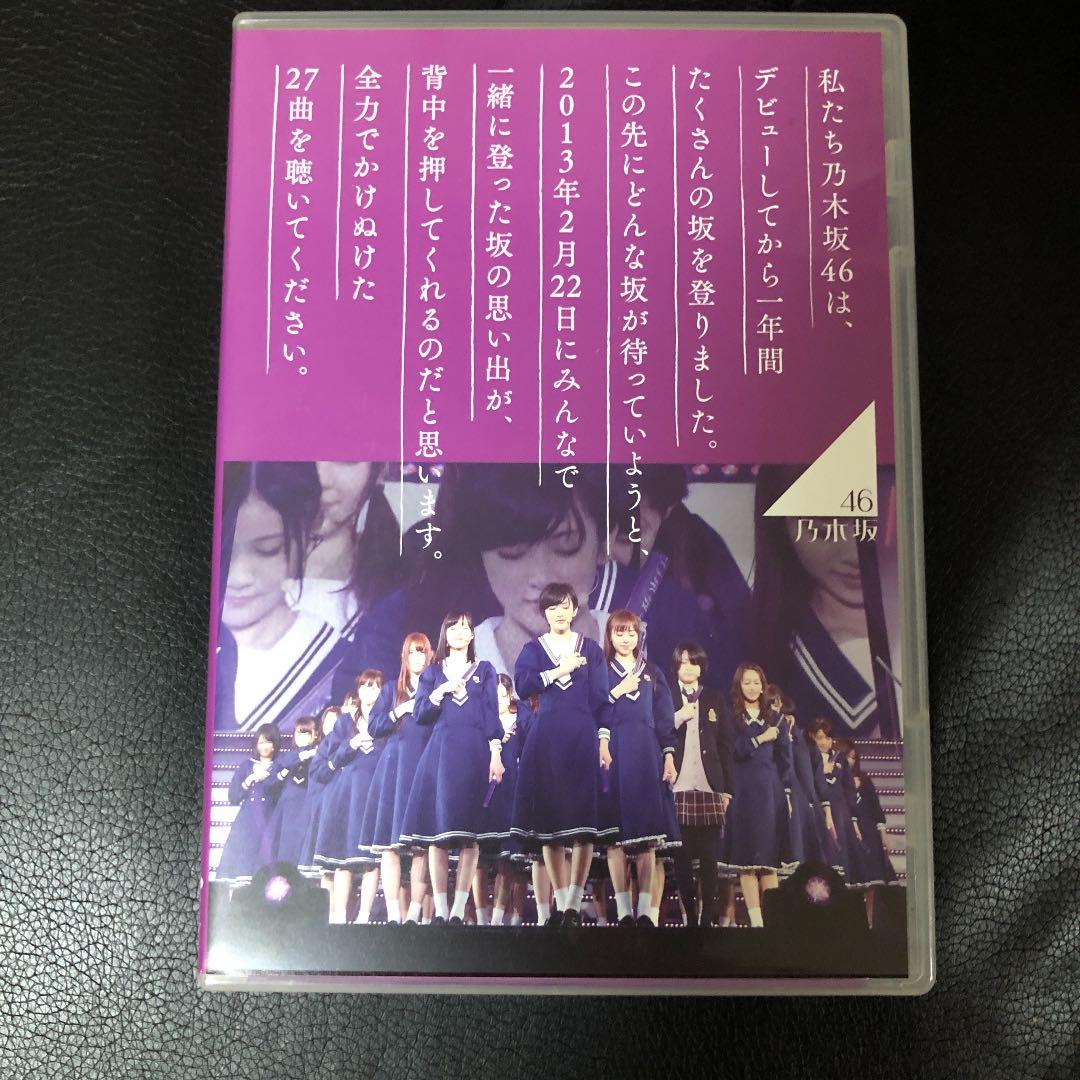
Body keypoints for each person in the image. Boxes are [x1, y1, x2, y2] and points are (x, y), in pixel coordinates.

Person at [331, 463, 715, 701]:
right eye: (511, 550)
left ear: (605, 538)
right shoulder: (408, 620)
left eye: (565, 544)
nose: (539, 577)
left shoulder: (666, 617)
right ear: (480, 548)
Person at [749, 467, 900, 739]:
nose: (855, 552)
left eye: (875, 522)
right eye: (822, 529)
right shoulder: (781, 673)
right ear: (782, 526)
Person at [511, 583, 614, 927]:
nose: (559, 612)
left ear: (574, 609)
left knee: (583, 825)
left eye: (564, 606)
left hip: (582, 737)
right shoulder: (533, 649)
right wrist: (561, 669)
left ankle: (572, 901)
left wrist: (603, 741)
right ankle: (560, 898)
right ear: (545, 612)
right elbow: (523, 686)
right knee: (550, 826)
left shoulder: (592, 649)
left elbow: (601, 699)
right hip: (546, 739)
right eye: (552, 607)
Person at [216, 461, 339, 733]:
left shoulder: (334, 659)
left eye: (268, 549)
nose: (239, 577)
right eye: (224, 551)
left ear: (307, 536)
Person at [399, 612, 505, 924]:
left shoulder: (485, 670)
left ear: (472, 634)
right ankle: (442, 910)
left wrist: (495, 754)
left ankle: (459, 908)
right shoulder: (433, 672)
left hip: (474, 752)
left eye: (465, 627)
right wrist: (439, 692)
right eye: (453, 627)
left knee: (470, 835)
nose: (459, 632)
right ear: (445, 633)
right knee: (438, 834)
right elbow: (420, 713)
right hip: (441, 754)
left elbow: (491, 714)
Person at [611, 465, 750, 691]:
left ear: (668, 508)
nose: (603, 553)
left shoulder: (699, 545)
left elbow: (737, 653)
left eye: (629, 533)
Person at [598, 609, 680, 926]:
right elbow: (593, 709)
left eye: (631, 632)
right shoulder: (601, 671)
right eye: (619, 632)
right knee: (616, 837)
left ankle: (645, 911)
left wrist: (669, 756)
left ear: (638, 636)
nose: (626, 638)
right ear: (610, 636)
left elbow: (665, 719)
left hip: (647, 755)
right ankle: (623, 912)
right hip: (614, 753)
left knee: (648, 838)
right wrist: (617, 691)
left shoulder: (652, 672)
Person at [360, 633, 434, 923]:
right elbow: (374, 726)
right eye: (412, 652)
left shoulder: (435, 687)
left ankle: (414, 914)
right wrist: (398, 711)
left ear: (429, 655)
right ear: (404, 656)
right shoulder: (391, 689)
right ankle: (393, 914)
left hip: (424, 766)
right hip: (395, 768)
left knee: (421, 846)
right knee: (390, 845)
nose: (417, 658)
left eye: (422, 652)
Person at [293, 462, 403, 637]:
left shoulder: (401, 595)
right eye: (303, 452)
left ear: (381, 469)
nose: (321, 478)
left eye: (345, 458)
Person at [668, 642, 734, 927]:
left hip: (709, 786)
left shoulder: (715, 697)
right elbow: (656, 729)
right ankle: (690, 917)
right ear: (676, 666)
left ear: (701, 667)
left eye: (693, 662)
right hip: (678, 785)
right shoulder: (666, 694)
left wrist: (727, 789)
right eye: (683, 662)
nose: (688, 667)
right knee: (681, 858)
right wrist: (677, 717)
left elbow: (726, 745)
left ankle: (707, 917)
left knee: (709, 858)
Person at [721, 664, 790, 927]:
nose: (752, 687)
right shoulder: (730, 717)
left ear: (763, 686)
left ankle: (773, 920)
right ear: (739, 686)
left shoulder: (776, 718)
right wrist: (760, 738)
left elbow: (785, 760)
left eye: (756, 682)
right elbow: (734, 751)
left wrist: (785, 792)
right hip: (742, 791)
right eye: (747, 682)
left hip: (769, 791)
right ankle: (756, 921)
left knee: (769, 861)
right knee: (746, 861)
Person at [313, 673, 383, 923]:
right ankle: (340, 915)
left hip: (374, 791)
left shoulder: (386, 720)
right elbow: (332, 756)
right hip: (347, 793)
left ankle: (364, 915)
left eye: (374, 687)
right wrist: (352, 743)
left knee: (371, 860)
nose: (369, 691)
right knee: (343, 858)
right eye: (364, 686)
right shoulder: (345, 722)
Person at [473, 674, 532, 926]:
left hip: (512, 791)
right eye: (493, 695)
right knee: (480, 857)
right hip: (484, 790)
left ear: (510, 695)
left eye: (503, 694)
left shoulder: (520, 720)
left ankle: (499, 917)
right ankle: (480, 916)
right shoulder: (482, 722)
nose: (499, 699)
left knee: (508, 858)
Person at [216, 723, 282, 886]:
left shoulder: (280, 767)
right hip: (246, 824)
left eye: (268, 742)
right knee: (239, 874)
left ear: (275, 744)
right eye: (260, 742)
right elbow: (233, 797)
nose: (264, 746)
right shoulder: (246, 766)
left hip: (269, 825)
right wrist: (250, 779)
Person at [807, 717, 862, 886]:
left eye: (827, 738)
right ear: (812, 737)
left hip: (840, 811)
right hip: (817, 809)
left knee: (841, 850)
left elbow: (849, 787)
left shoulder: (839, 758)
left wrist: (851, 813)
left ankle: (842, 884)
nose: (824, 742)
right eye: (820, 738)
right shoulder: (807, 756)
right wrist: (821, 771)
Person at [265, 715, 321, 869]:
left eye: (306, 733)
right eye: (299, 733)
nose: (302, 738)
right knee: (285, 848)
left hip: (307, 804)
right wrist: (296, 760)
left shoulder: (319, 754)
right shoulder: (286, 757)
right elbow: (270, 782)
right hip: (287, 807)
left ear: (315, 735)